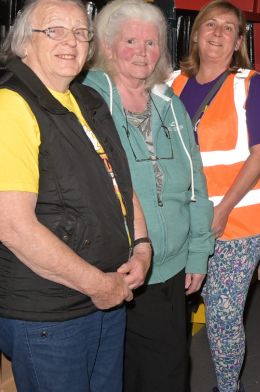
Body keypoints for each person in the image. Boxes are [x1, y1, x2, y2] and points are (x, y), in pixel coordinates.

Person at [0, 0, 151, 390]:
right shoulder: (11, 106)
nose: (71, 42)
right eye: (55, 30)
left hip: (106, 294)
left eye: (81, 32)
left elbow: (121, 182)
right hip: (52, 313)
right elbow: (13, 226)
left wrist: (141, 245)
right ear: (23, 43)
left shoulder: (88, 100)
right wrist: (97, 285)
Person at [80, 0, 216, 390]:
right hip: (110, 268)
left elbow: (196, 181)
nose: (143, 51)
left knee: (168, 372)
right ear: (107, 45)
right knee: (113, 376)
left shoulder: (169, 102)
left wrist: (198, 251)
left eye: (152, 42)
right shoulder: (86, 100)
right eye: (130, 40)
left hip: (169, 267)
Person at [171, 1, 260, 391]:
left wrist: (223, 209)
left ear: (238, 42)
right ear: (196, 33)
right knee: (171, 312)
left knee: (221, 314)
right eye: (210, 25)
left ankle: (228, 387)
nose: (217, 34)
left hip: (238, 222)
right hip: (181, 221)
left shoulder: (252, 85)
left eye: (228, 29)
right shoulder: (172, 85)